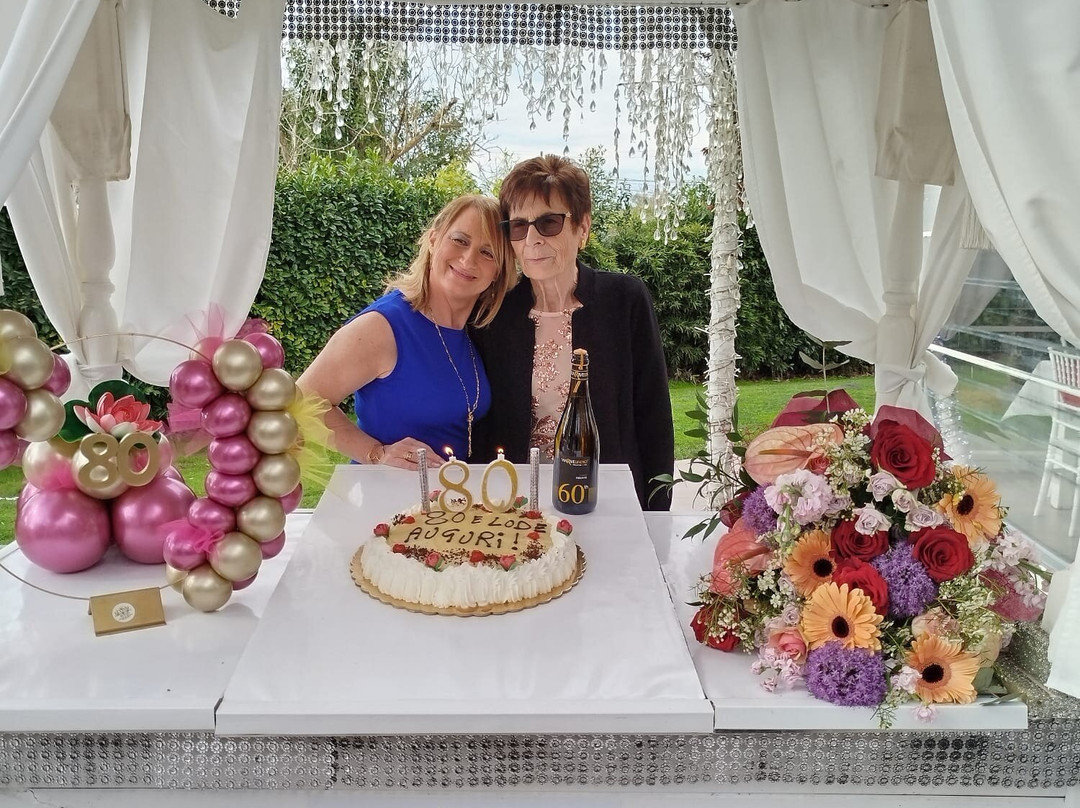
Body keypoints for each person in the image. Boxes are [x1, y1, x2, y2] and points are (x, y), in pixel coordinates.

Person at [472, 155, 675, 510]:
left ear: (583, 228)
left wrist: (656, 513)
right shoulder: (494, 312)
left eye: (548, 222)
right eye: (518, 226)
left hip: (608, 501)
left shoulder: (624, 300)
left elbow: (653, 416)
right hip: (518, 504)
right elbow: (482, 422)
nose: (532, 239)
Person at [298, 194, 515, 469]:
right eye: (460, 240)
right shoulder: (382, 326)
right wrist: (375, 453)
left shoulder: (477, 332)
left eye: (488, 252)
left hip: (450, 493)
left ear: (498, 271)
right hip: (386, 493)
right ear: (434, 240)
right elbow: (302, 400)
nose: (468, 259)